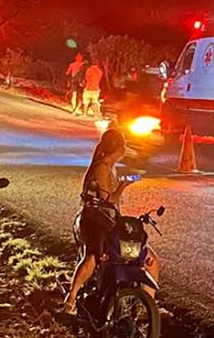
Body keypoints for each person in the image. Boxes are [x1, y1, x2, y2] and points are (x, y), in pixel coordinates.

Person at [63, 128, 135, 313]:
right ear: (118, 148)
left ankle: (142, 303)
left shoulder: (109, 166)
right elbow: (107, 199)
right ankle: (71, 297)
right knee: (94, 256)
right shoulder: (102, 168)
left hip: (106, 221)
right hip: (93, 221)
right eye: (124, 144)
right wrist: (123, 186)